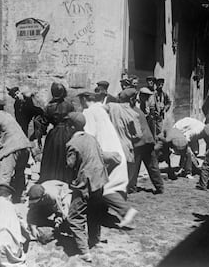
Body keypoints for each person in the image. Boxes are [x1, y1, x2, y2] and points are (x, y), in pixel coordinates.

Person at [78, 92, 137, 229]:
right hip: (117, 151)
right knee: (114, 186)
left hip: (107, 154)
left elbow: (89, 135)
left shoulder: (89, 112)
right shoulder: (101, 110)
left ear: (84, 100)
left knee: (103, 188)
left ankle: (126, 211)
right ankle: (104, 214)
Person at [65, 112, 109, 262]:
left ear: (72, 127)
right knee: (94, 211)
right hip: (100, 180)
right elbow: (101, 155)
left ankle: (84, 251)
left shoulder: (73, 143)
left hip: (85, 183)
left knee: (74, 217)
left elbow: (70, 164)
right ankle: (95, 239)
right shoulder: (92, 138)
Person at [0, 98, 32, 203]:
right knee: (20, 174)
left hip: (12, 148)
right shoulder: (8, 116)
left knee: (4, 176)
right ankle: (19, 197)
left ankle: (2, 201)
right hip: (25, 147)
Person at [121, 89, 164, 194]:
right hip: (148, 141)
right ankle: (160, 187)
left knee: (134, 166)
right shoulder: (137, 110)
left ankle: (131, 188)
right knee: (152, 165)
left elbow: (133, 130)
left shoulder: (131, 112)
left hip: (140, 142)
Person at [38, 82, 75, 183]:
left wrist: (40, 135)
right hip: (68, 133)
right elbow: (74, 119)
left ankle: (51, 178)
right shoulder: (69, 105)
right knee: (65, 156)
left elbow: (44, 123)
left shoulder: (49, 107)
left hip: (55, 134)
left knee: (52, 157)